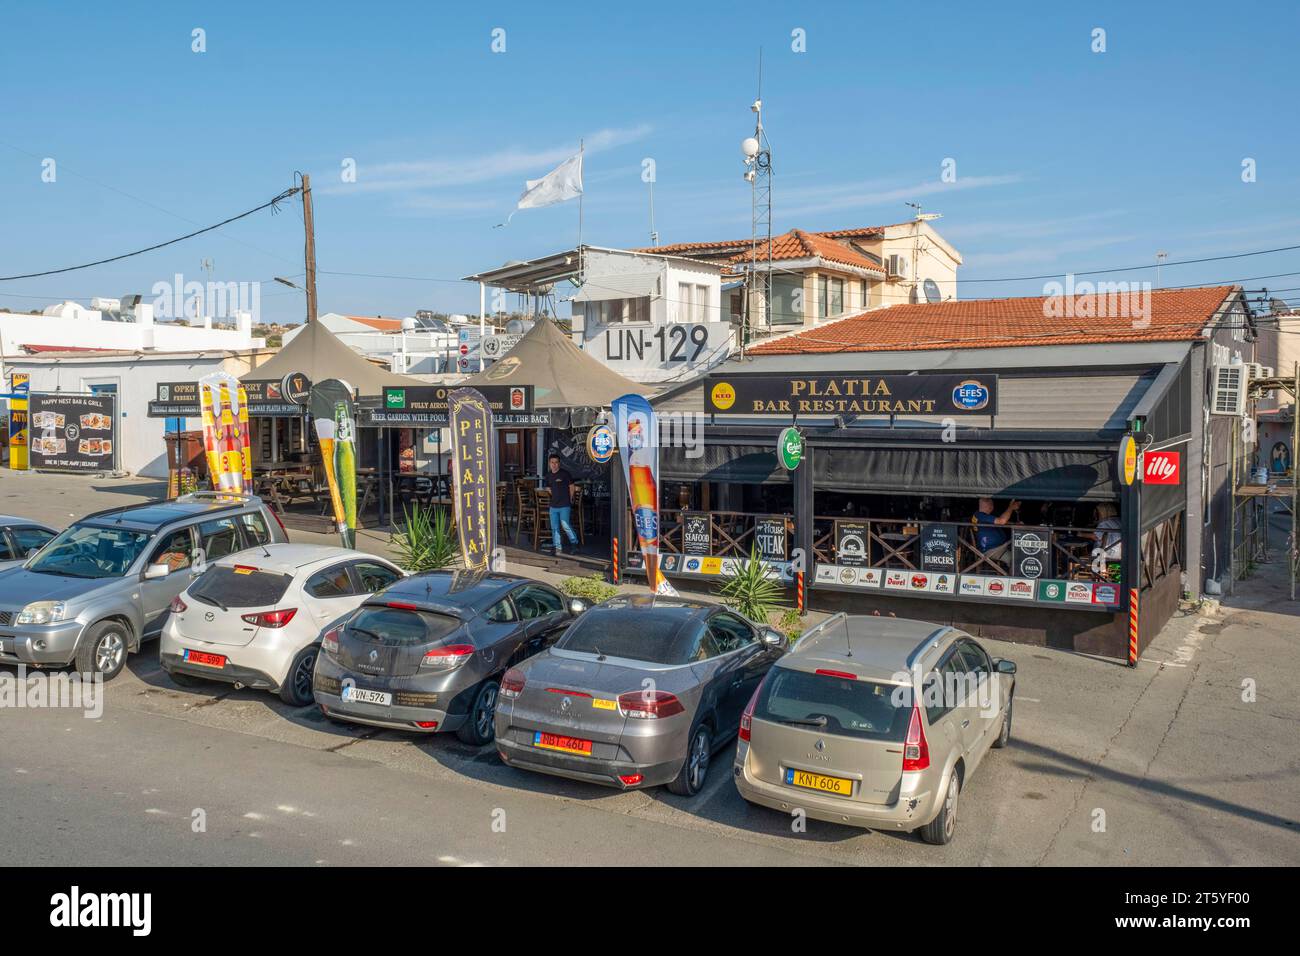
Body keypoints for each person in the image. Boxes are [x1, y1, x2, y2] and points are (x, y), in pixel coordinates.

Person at [543, 454, 579, 555]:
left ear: (559, 463)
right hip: (553, 505)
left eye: (556, 462)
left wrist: (571, 497)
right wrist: (553, 493)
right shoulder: (548, 475)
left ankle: (574, 544)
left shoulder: (565, 474)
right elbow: (548, 488)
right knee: (554, 527)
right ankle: (557, 548)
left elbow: (571, 486)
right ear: (549, 464)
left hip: (564, 504)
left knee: (565, 525)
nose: (554, 465)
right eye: (552, 462)